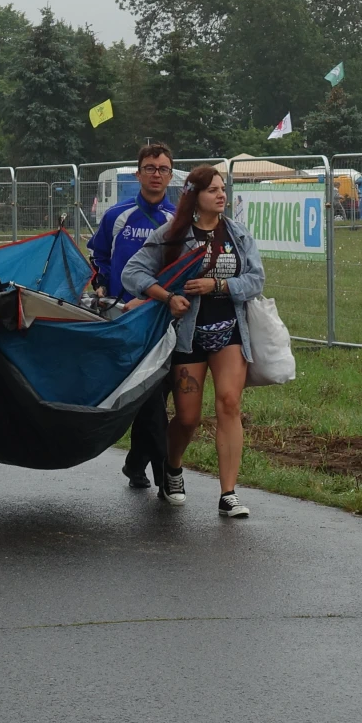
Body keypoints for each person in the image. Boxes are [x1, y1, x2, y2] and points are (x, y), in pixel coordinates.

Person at [122, 164, 265, 518]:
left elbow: (256, 279)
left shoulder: (237, 234)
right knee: (188, 418)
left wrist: (220, 285)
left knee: (229, 404)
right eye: (212, 190)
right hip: (187, 337)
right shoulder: (172, 234)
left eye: (223, 189)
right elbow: (132, 272)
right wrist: (167, 297)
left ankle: (228, 493)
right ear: (195, 196)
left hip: (230, 331)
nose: (221, 195)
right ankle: (172, 467)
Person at [87, 142, 176, 491]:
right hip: (123, 319)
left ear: (171, 175)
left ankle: (137, 462)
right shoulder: (117, 215)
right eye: (150, 168)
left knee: (154, 395)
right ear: (138, 174)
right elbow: (98, 257)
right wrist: (101, 286)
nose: (156, 174)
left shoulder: (178, 219)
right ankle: (165, 476)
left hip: (162, 318)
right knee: (146, 396)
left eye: (163, 169)